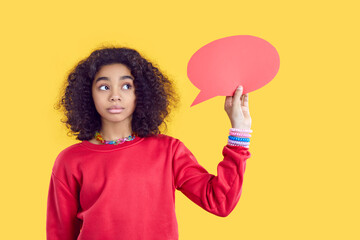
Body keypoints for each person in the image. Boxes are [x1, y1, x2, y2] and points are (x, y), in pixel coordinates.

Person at [46, 46, 252, 240]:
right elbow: (59, 234)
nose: (115, 96)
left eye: (126, 86)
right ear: (88, 94)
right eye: (104, 86)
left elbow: (220, 201)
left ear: (141, 93)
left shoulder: (168, 151)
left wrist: (239, 132)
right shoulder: (70, 160)